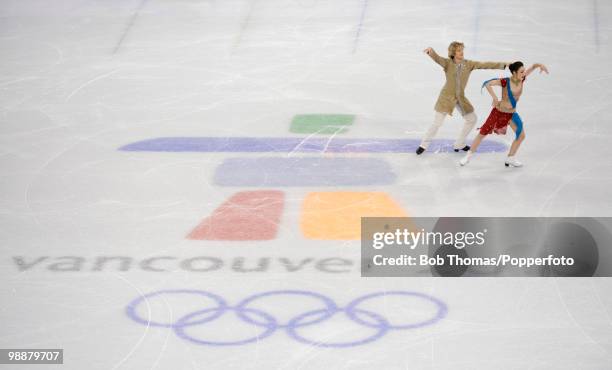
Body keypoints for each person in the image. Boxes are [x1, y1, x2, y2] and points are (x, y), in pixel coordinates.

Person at [417, 42, 509, 155]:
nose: (462, 52)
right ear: (453, 53)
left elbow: (484, 64)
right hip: (446, 98)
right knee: (437, 123)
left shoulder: (468, 64)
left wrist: (504, 65)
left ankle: (459, 143)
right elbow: (437, 59)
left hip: (460, 98)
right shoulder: (448, 63)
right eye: (459, 50)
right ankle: (423, 144)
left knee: (472, 119)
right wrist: (431, 52)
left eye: (462, 50)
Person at [459, 61, 549, 167]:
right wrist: (495, 98)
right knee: (482, 134)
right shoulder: (505, 82)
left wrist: (540, 65)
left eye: (524, 71)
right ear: (514, 73)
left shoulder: (522, 78)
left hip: (511, 114)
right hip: (499, 112)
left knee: (521, 135)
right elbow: (487, 83)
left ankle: (510, 158)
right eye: (521, 72)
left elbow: (533, 66)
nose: (524, 73)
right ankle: (468, 156)